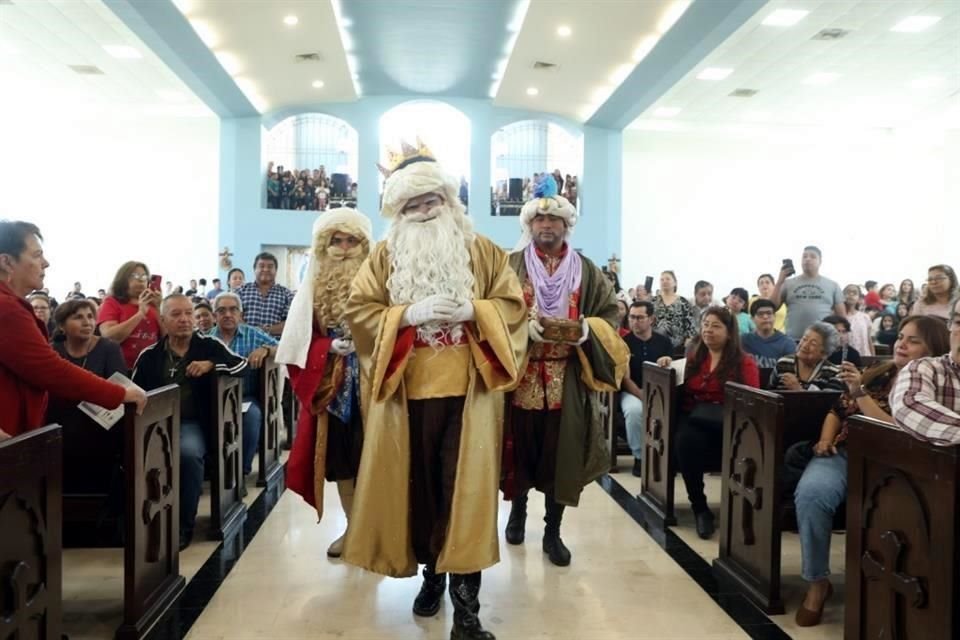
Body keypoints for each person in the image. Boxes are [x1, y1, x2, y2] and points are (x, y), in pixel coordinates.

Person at [343, 143, 527, 640]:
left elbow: (513, 306)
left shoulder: (482, 250)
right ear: (397, 213)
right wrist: (406, 315)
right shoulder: (384, 256)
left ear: (449, 201)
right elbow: (360, 313)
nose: (424, 212)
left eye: (432, 201)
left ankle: (467, 613)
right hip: (405, 396)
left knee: (463, 496)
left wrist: (476, 313)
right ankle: (431, 578)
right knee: (419, 495)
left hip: (471, 395)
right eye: (412, 205)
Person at [788, 315, 950, 626]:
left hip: (894, 465)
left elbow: (897, 429)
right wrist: (824, 440)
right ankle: (817, 582)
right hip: (845, 453)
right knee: (812, 494)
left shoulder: (931, 384)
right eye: (900, 336)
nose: (901, 343)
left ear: (935, 348)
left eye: (913, 340)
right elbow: (838, 410)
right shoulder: (880, 372)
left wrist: (860, 395)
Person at [503, 173, 627, 568]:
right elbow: (492, 312)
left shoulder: (587, 270)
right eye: (539, 220)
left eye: (553, 220)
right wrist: (522, 329)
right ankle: (517, 510)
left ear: (566, 225)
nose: (546, 226)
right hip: (520, 377)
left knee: (563, 455)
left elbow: (610, 312)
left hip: (567, 379)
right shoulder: (510, 266)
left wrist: (586, 329)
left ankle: (553, 530)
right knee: (519, 449)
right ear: (529, 224)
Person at [277, 208, 372, 558]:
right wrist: (327, 345)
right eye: (336, 240)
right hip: (333, 389)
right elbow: (299, 339)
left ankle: (378, 528)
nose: (344, 248)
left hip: (377, 383)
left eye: (351, 240)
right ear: (324, 245)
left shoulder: (380, 279)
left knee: (377, 457)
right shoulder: (313, 285)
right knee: (343, 460)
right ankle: (354, 528)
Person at [0, 220, 145, 441]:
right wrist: (120, 393)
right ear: (7, 262)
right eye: (37, 255)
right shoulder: (6, 307)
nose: (46, 263)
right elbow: (49, 369)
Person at [132, 294, 247, 548]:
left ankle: (183, 526)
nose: (184, 319)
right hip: (154, 424)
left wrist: (212, 365)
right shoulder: (150, 355)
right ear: (163, 320)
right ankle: (134, 526)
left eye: (188, 314)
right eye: (176, 315)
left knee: (188, 455)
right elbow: (135, 390)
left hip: (191, 423)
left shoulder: (209, 346)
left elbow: (242, 366)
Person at [675, 306, 759, 538]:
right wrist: (666, 363)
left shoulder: (744, 363)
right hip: (694, 419)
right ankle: (700, 509)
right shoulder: (694, 358)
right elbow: (678, 382)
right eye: (705, 325)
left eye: (715, 326)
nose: (708, 330)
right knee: (685, 441)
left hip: (729, 422)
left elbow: (753, 400)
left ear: (730, 332)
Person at [47, 298, 128, 500]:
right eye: (78, 317)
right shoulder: (52, 351)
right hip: (60, 430)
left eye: (91, 317)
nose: (87, 322)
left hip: (100, 429)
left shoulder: (108, 348)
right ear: (62, 326)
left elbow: (119, 388)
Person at [208, 292, 278, 486]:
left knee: (252, 417)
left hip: (244, 397)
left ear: (240, 314)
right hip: (213, 399)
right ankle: (213, 469)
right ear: (215, 316)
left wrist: (265, 349)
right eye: (222, 310)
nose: (228, 314)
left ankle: (240, 471)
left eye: (233, 310)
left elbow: (282, 347)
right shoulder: (206, 339)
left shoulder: (252, 334)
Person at [891, 297, 960, 445]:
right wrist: (859, 392)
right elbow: (909, 405)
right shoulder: (925, 368)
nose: (901, 345)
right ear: (950, 326)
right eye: (959, 323)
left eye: (913, 341)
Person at [620, 300, 673, 476]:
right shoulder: (623, 342)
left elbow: (672, 371)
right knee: (634, 411)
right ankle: (640, 457)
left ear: (651, 319)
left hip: (661, 391)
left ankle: (668, 458)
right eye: (632, 317)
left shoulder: (664, 342)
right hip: (632, 391)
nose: (635, 321)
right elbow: (624, 377)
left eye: (640, 317)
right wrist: (640, 394)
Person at [98, 261, 163, 370]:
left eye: (144, 276)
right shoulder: (112, 302)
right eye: (135, 275)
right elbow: (110, 337)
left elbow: (167, 338)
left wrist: (158, 308)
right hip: (120, 369)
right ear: (123, 278)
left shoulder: (153, 304)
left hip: (151, 368)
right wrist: (140, 314)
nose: (141, 279)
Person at [771, 246, 845, 340]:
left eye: (813, 257)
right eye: (804, 256)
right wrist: (780, 281)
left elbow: (842, 318)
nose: (808, 259)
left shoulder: (832, 285)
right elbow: (772, 306)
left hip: (822, 342)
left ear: (820, 261)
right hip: (793, 341)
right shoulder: (788, 283)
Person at [236, 253, 295, 337]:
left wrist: (266, 330)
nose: (266, 269)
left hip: (275, 345)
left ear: (276, 270)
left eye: (270, 266)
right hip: (244, 342)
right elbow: (234, 317)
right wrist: (252, 332)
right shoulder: (240, 291)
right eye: (261, 266)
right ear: (254, 269)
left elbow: (291, 322)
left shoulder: (287, 295)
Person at [772, 323, 843, 392]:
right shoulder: (784, 363)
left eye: (813, 344)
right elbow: (768, 396)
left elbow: (827, 403)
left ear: (824, 353)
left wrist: (798, 390)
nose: (805, 345)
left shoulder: (833, 374)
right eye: (804, 339)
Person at [741, 298, 796, 371]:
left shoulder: (787, 343)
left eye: (769, 313)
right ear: (752, 318)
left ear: (774, 316)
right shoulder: (743, 341)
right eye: (760, 314)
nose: (765, 317)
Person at [652, 270, 696, 349]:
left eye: (667, 279)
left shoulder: (683, 302)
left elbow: (690, 324)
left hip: (678, 346)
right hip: (655, 344)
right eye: (662, 279)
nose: (664, 281)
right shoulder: (653, 301)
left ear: (675, 283)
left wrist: (689, 339)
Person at [842, 284, 874, 356]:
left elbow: (869, 340)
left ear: (859, 298)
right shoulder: (839, 317)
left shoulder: (865, 317)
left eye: (854, 293)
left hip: (864, 356)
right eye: (848, 292)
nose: (851, 294)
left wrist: (873, 358)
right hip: (845, 357)